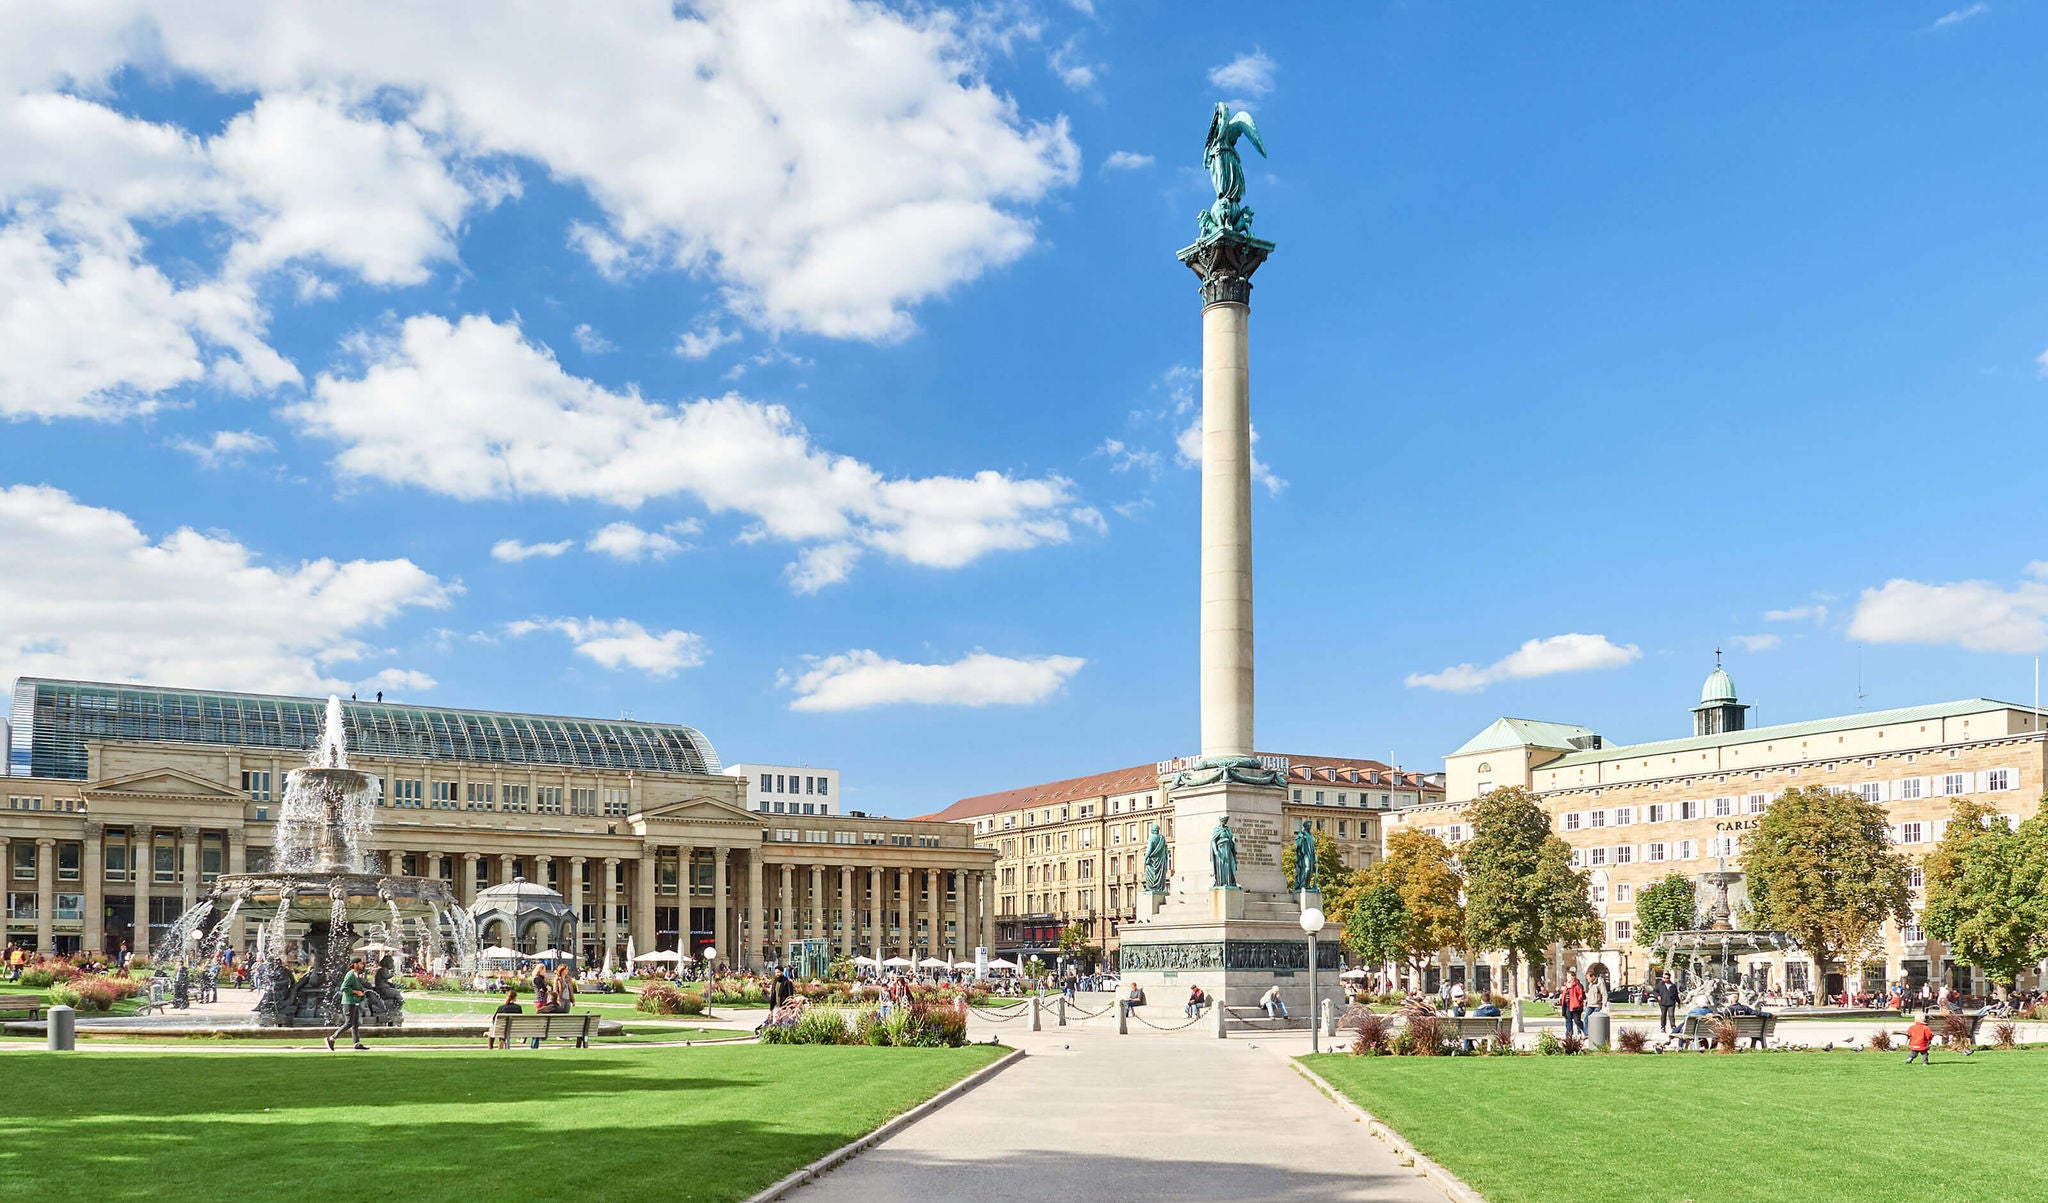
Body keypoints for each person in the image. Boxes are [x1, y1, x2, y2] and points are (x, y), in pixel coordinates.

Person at [325, 956, 370, 1052]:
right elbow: (343, 988)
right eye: (361, 963)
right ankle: (331, 1038)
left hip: (354, 1002)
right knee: (349, 1023)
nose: (363, 965)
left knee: (355, 1024)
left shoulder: (356, 975)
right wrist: (356, 992)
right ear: (355, 964)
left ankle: (356, 1043)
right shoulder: (350, 975)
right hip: (349, 1002)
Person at [1561, 971, 1586, 1038]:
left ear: (1573, 977)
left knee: (1577, 1020)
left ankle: (1584, 1031)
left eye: (1569, 976)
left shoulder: (1577, 984)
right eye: (1567, 976)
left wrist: (1578, 1001)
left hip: (1575, 1005)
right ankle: (1569, 1035)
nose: (1567, 978)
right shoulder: (1565, 985)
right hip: (1567, 1005)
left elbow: (1581, 995)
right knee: (1568, 1020)